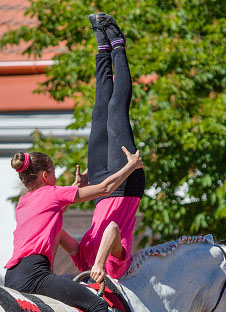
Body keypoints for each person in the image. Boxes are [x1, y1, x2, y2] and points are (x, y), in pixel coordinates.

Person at [3, 143, 142, 312]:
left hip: (13, 276)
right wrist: (131, 166)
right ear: (46, 176)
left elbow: (54, 212)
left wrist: (76, 188)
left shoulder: (23, 203)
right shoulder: (53, 194)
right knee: (97, 305)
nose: (56, 178)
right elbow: (107, 188)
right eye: (54, 173)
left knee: (76, 283)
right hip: (35, 274)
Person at [68, 12, 146, 285]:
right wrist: (100, 264)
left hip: (101, 186)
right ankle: (118, 44)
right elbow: (112, 228)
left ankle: (101, 44)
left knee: (99, 109)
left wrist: (51, 204)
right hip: (127, 181)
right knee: (115, 109)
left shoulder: (84, 262)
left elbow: (60, 238)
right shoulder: (115, 269)